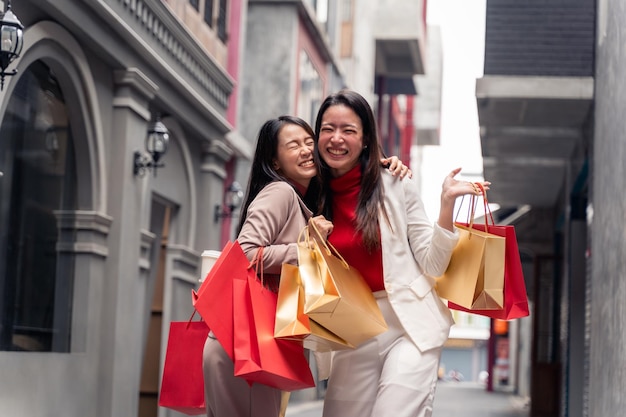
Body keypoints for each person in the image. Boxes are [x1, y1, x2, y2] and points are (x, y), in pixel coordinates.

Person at [202, 115, 410, 417]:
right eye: (293, 145)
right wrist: (306, 250)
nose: (305, 150)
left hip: (253, 341)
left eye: (309, 142)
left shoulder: (303, 202)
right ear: (274, 162)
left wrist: (380, 165)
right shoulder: (280, 192)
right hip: (244, 341)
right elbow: (245, 253)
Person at [310, 89, 490, 417]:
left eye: (348, 130)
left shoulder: (394, 183)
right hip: (355, 330)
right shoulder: (310, 194)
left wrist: (446, 204)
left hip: (411, 325)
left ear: (365, 140)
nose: (336, 138)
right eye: (327, 129)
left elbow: (433, 263)